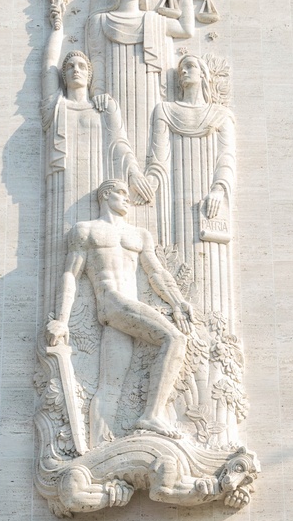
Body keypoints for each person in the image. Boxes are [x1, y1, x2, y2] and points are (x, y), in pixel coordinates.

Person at [47, 176, 193, 443]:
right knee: (174, 338)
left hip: (128, 311)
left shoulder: (139, 235)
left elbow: (156, 273)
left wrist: (177, 302)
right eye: (122, 193)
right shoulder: (86, 230)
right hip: (112, 302)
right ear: (106, 195)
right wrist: (62, 320)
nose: (127, 199)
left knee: (111, 384)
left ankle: (97, 447)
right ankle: (152, 415)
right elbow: (70, 275)